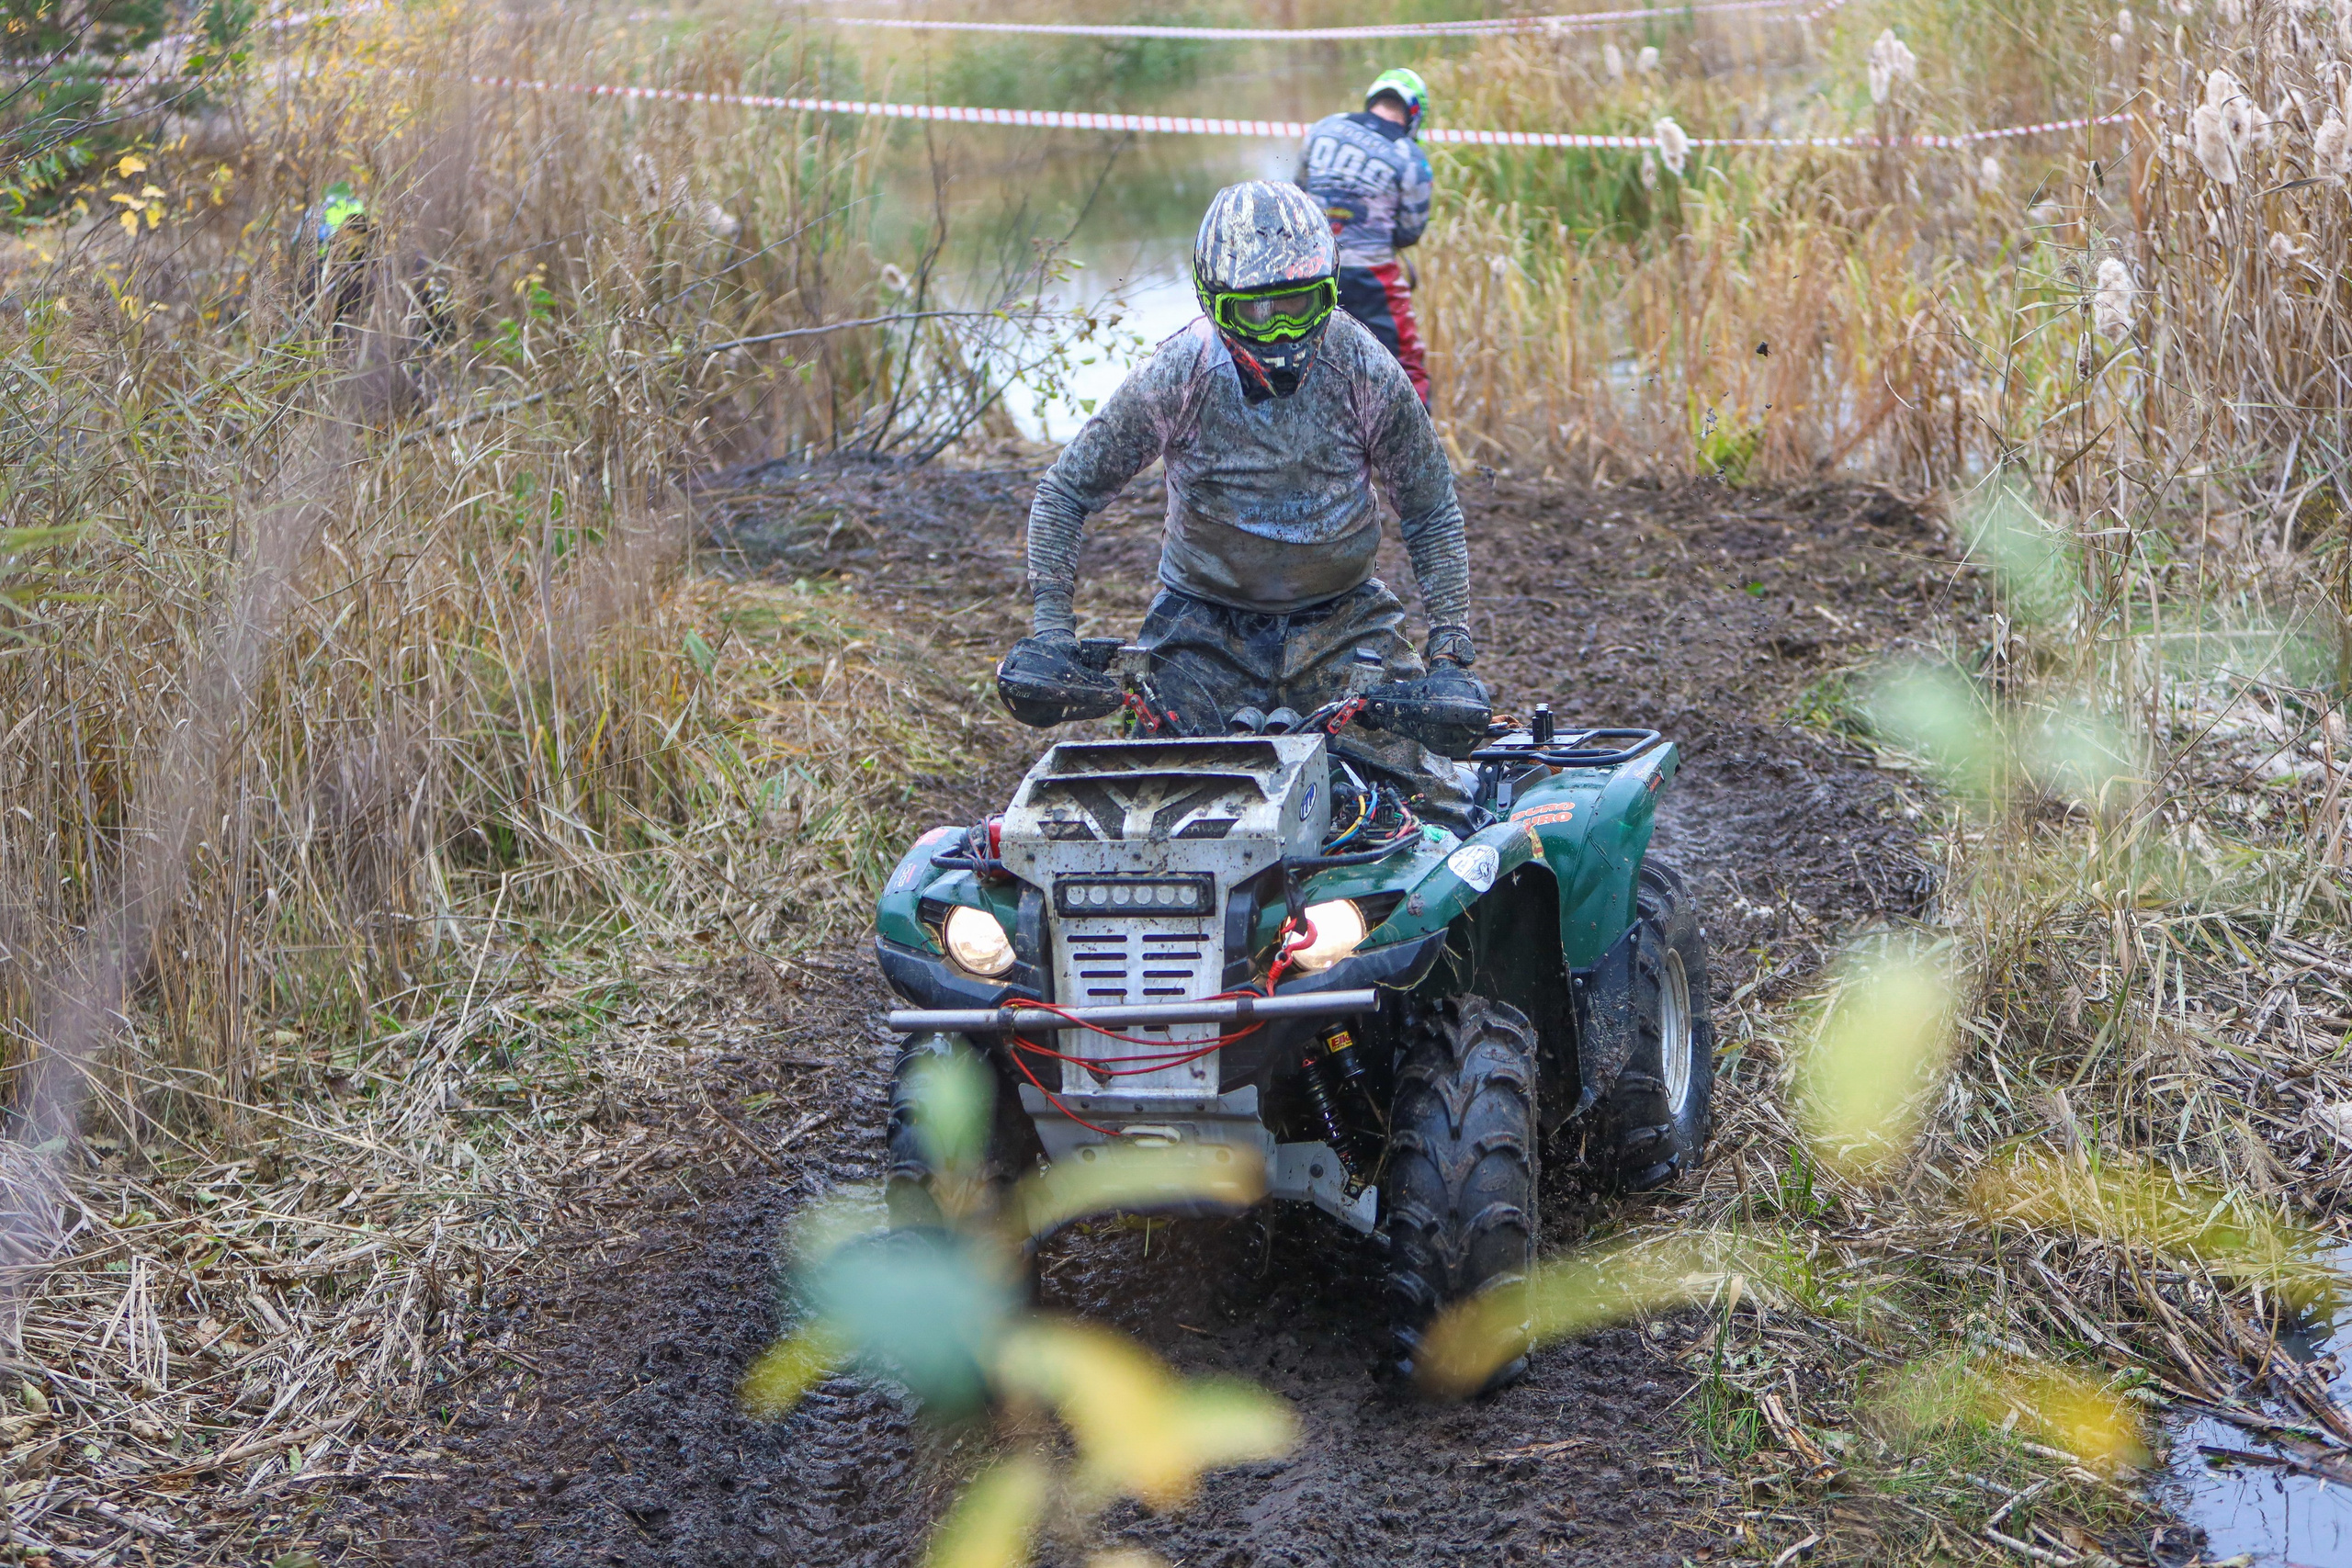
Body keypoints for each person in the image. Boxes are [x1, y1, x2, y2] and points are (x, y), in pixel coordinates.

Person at [995, 180, 1486, 816]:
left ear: (1330, 293)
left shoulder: (1365, 369)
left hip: (1344, 623)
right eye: (1255, 311)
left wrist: (1450, 649)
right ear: (1213, 304)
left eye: (1300, 305)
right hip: (1201, 629)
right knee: (1154, 804)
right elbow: (1066, 491)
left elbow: (1430, 508)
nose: (1281, 331)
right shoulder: (1179, 374)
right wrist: (1053, 634)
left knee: (1428, 800)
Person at [1301, 67, 1434, 404]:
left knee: (1304, 362)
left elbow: (1297, 197)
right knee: (1406, 369)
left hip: (1310, 268)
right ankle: (1413, 451)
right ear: (1414, 113)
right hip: (1373, 276)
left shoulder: (1324, 128)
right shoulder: (1411, 156)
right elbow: (1409, 232)